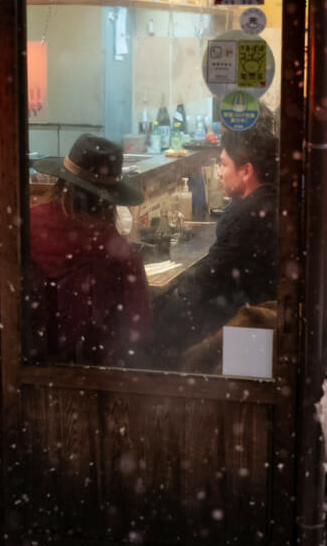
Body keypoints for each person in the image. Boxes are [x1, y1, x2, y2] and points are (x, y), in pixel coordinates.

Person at [26, 134, 151, 366]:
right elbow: (138, 326)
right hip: (92, 373)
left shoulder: (25, 225)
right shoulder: (118, 251)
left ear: (62, 181)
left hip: (22, 364)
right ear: (109, 198)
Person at [162, 105, 279, 352]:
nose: (219, 174)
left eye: (224, 165)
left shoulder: (244, 216)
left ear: (246, 171)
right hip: (258, 323)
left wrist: (170, 300)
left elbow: (206, 282)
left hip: (242, 333)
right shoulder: (272, 201)